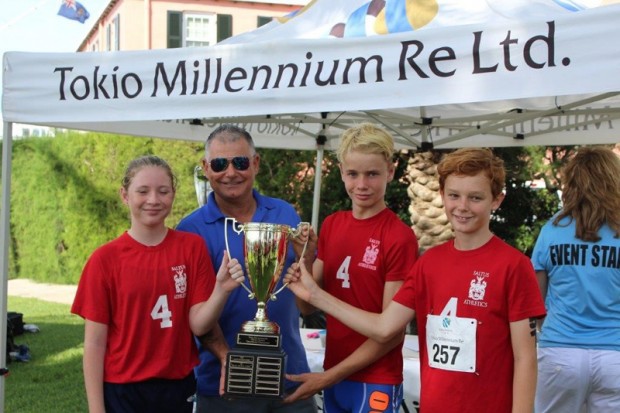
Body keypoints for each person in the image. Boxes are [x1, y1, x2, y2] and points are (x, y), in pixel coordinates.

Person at [286, 147, 547, 413]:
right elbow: (384, 327)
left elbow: (525, 358)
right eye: (454, 195)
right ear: (442, 195)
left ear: (496, 200)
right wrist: (315, 295)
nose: (462, 206)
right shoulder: (428, 263)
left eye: (476, 197)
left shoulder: (515, 266)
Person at [71, 155, 245, 413]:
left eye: (163, 191)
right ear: (125, 195)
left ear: (173, 195)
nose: (153, 200)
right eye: (143, 191)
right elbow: (95, 344)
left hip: (177, 387)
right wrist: (96, 409)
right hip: (123, 390)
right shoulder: (104, 260)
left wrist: (221, 290)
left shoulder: (191, 247)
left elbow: (198, 324)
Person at [176, 124, 318, 413]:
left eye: (240, 162)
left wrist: (308, 258)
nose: (230, 172)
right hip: (224, 387)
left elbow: (306, 306)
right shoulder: (190, 230)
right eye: (220, 164)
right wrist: (228, 360)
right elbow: (193, 313)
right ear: (206, 167)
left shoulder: (284, 214)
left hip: (291, 380)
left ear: (255, 163)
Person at [284, 123, 419, 412]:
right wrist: (305, 259)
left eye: (372, 174)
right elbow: (307, 307)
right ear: (342, 172)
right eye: (353, 174)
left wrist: (329, 376)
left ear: (390, 172)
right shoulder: (333, 224)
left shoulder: (399, 236)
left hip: (375, 378)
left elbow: (391, 332)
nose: (361, 185)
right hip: (334, 373)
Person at [530, 146, 620, 413]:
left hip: (560, 351)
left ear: (572, 182)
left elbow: (536, 303)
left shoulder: (552, 230)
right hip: (614, 354)